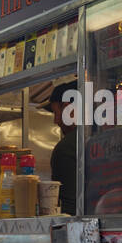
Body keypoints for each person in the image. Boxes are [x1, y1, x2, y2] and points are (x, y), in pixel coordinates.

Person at [48, 81, 79, 215]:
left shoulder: (65, 149)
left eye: (56, 113)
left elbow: (68, 209)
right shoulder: (102, 137)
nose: (56, 121)